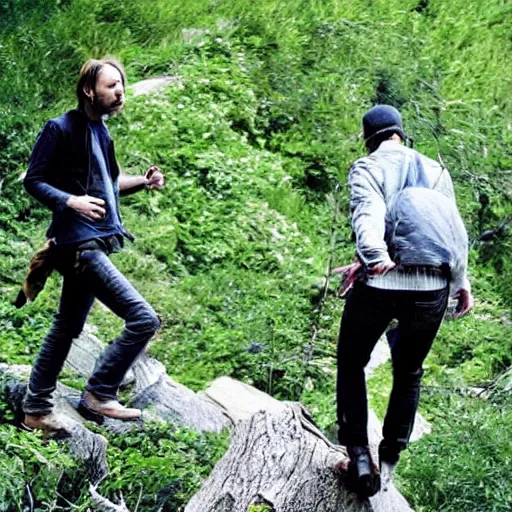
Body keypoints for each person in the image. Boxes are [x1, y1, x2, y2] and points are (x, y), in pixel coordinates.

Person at [334, 105, 474, 497]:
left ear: (369, 137)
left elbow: (370, 214)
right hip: (433, 285)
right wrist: (461, 281)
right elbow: (451, 228)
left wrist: (374, 258)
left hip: (381, 284)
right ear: (401, 134)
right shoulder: (436, 170)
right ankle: (391, 458)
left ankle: (359, 456)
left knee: (351, 361)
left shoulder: (368, 166)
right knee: (409, 369)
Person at [22, 58, 165, 432]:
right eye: (111, 86)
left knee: (67, 325)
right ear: (89, 90)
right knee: (143, 319)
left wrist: (143, 183)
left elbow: (107, 184)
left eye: (121, 86)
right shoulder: (60, 129)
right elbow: (32, 180)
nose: (119, 93)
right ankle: (99, 392)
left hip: (93, 242)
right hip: (78, 246)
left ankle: (36, 410)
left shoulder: (101, 132)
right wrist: (70, 201)